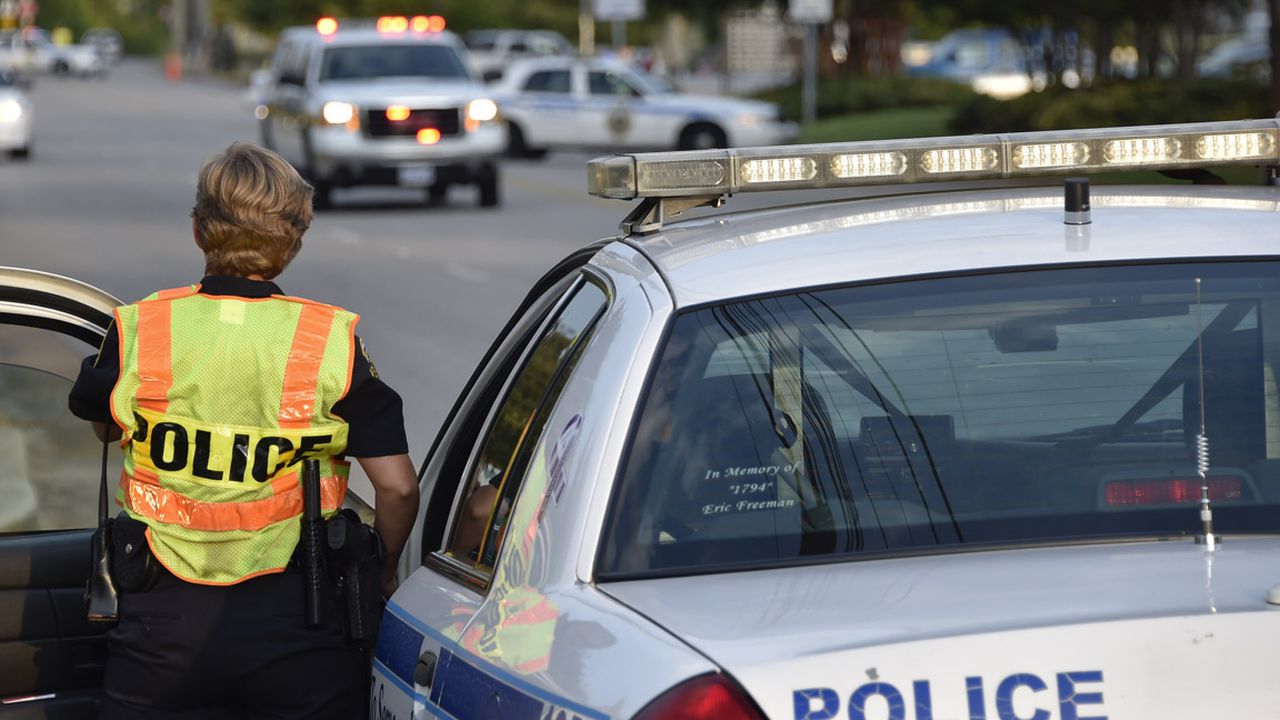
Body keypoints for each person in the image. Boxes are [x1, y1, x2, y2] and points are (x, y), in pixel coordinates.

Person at [67, 142, 419, 719]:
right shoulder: (330, 340)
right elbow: (399, 488)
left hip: (160, 621)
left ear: (200, 230)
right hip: (302, 618)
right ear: (294, 239)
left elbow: (106, 427)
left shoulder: (142, 328)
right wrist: (381, 570)